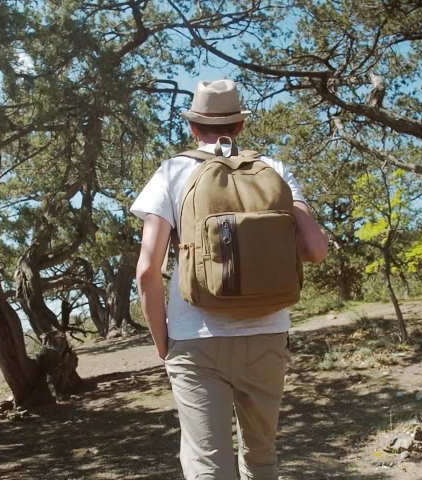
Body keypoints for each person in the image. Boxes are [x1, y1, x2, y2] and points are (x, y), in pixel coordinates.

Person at [131, 79, 329, 480]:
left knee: (209, 464)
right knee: (261, 457)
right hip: (268, 333)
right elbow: (315, 249)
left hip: (195, 337)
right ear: (240, 126)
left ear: (193, 127)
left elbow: (147, 269)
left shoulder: (173, 172)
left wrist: (163, 343)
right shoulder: (274, 170)